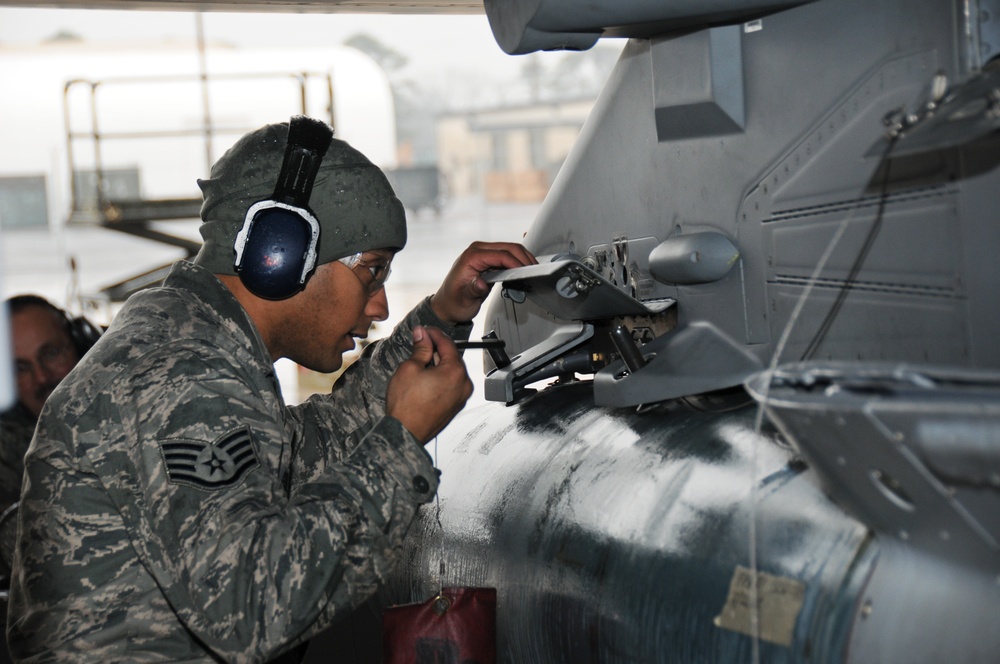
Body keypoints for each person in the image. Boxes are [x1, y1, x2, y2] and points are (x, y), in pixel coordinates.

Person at [6, 116, 535, 662]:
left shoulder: (196, 342)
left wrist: (442, 318)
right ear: (279, 254)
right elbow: (255, 607)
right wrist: (399, 445)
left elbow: (313, 446)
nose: (378, 306)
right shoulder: (181, 374)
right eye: (371, 272)